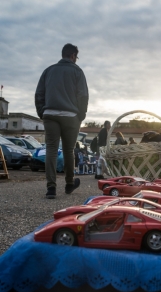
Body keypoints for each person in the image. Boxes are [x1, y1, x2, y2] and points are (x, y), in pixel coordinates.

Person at [35, 43, 89, 199]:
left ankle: (51, 188)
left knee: (51, 149)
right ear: (72, 56)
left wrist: (42, 112)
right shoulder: (77, 72)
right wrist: (81, 115)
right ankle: (69, 183)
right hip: (71, 116)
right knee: (68, 150)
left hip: (50, 113)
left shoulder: (48, 71)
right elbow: (83, 96)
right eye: (76, 57)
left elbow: (39, 94)